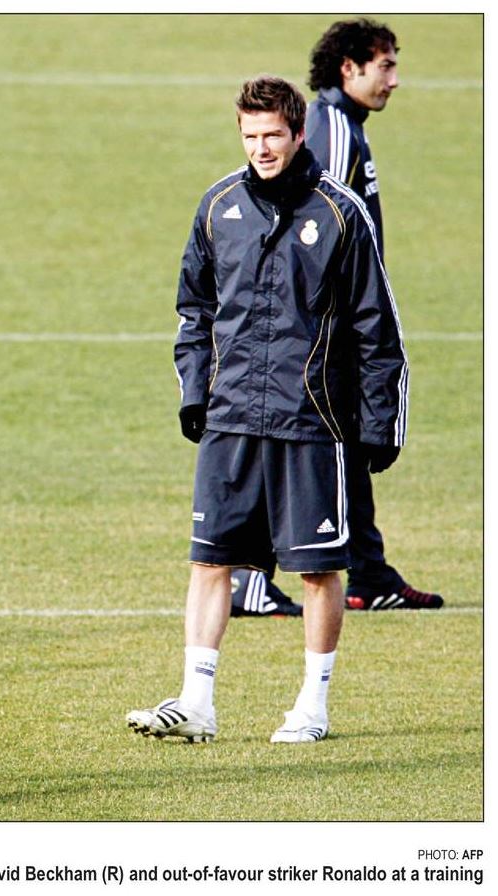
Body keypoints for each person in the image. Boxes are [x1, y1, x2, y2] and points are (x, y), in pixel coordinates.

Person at [127, 76, 408, 743]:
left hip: (312, 421)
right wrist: (196, 390)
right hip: (230, 421)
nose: (261, 148)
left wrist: (380, 424)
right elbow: (193, 309)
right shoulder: (218, 206)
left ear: (298, 133)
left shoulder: (340, 214)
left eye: (272, 135)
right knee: (209, 560)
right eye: (250, 136)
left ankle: (313, 706)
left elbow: (377, 327)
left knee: (318, 568)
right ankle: (197, 702)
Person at [228, 18, 443, 614]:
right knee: (301, 445)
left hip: (330, 325)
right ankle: (251, 578)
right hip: (322, 330)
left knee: (347, 446)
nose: (393, 80)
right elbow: (309, 221)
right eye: (385, 66)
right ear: (349, 68)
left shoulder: (342, 125)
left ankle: (368, 571)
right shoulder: (336, 134)